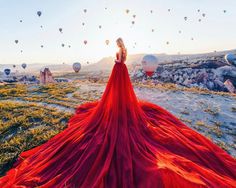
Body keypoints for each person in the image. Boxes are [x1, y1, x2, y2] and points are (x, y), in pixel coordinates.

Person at [0, 38, 235, 188]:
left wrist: (119, 58)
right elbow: (121, 66)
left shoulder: (119, 61)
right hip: (119, 77)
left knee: (111, 111)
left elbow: (119, 67)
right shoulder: (121, 60)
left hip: (118, 77)